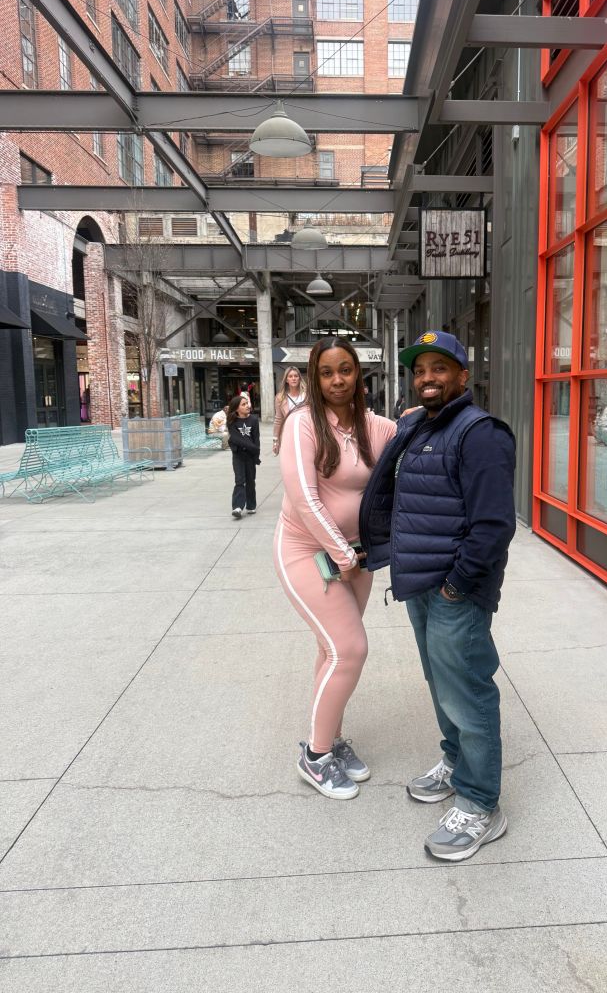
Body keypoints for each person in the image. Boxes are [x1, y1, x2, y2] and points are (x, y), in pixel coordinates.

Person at [359, 330, 517, 861]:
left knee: (468, 692)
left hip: (455, 591)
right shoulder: (419, 427)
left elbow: (493, 525)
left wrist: (457, 586)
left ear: (463, 376)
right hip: (421, 584)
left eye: (440, 368)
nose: (428, 378)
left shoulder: (480, 434)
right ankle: (455, 761)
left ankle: (480, 802)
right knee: (442, 685)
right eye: (421, 370)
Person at [274, 336, 396, 799]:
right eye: (326, 372)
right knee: (350, 649)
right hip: (307, 552)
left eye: (345, 369)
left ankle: (331, 738)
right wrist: (343, 557)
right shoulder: (302, 424)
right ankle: (316, 755)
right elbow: (305, 499)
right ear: (314, 377)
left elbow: (415, 437)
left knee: (332, 651)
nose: (337, 380)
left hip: (357, 557)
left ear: (358, 373)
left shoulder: (375, 427)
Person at [226, 394, 260, 519]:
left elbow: (256, 439)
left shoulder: (254, 420)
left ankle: (251, 505)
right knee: (240, 480)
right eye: (243, 404)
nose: (247, 406)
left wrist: (256, 453)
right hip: (238, 455)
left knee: (250, 480)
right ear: (237, 408)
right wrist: (253, 447)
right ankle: (237, 507)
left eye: (247, 403)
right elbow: (236, 439)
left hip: (250, 456)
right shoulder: (232, 422)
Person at [272, 365, 307, 455]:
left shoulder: (307, 395)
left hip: (306, 434)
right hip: (289, 434)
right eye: (290, 376)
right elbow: (278, 419)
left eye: (296, 376)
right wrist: (275, 440)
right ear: (286, 380)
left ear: (299, 378)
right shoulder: (280, 398)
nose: (293, 378)